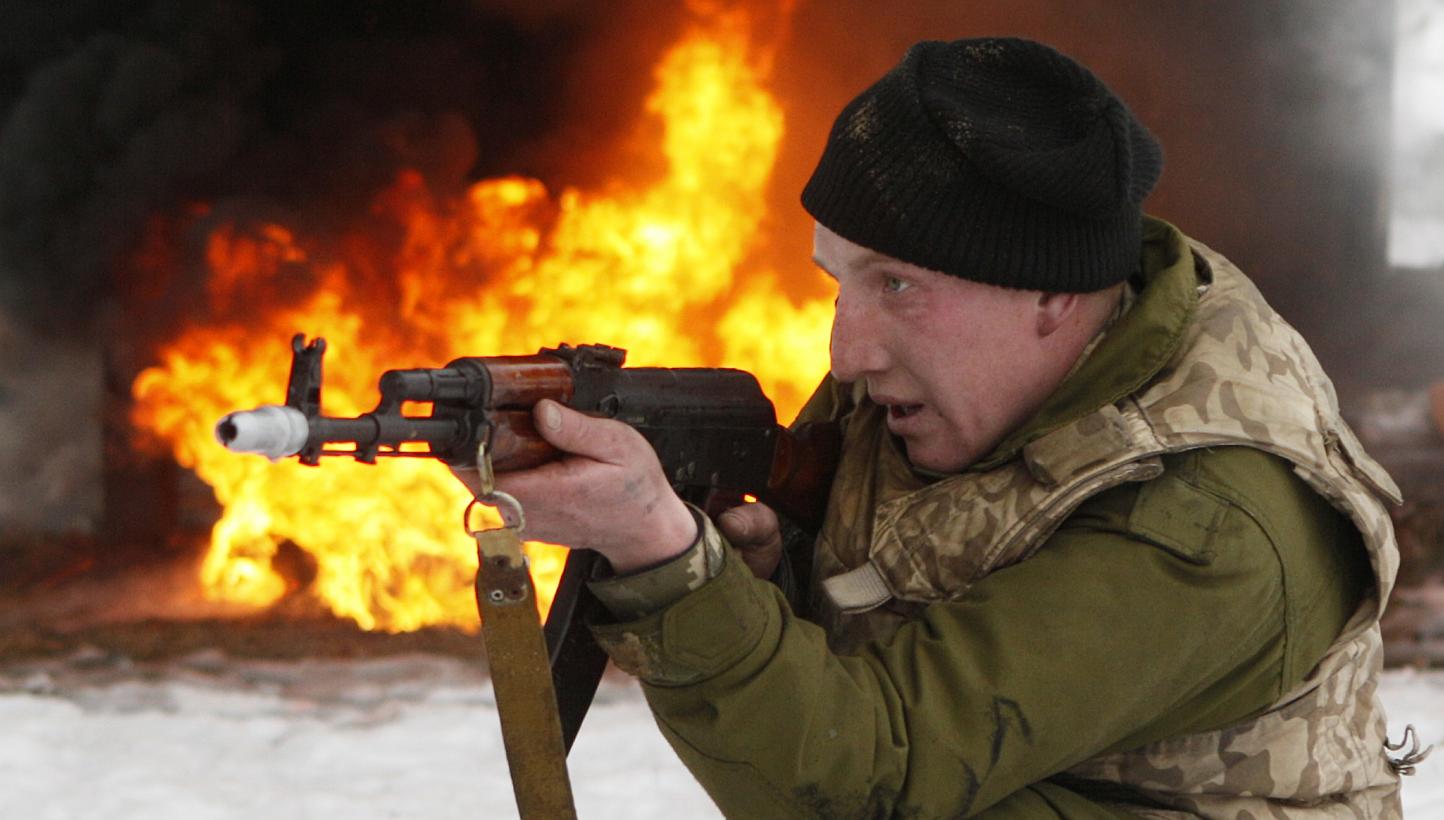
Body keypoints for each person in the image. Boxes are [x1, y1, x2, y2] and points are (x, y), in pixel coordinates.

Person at [465, 38, 1413, 817]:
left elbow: (867, 778)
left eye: (898, 285)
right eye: (840, 280)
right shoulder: (939, 385)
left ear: (1053, 290)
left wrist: (662, 553)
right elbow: (883, 603)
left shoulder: (1207, 520)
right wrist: (759, 576)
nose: (845, 354)